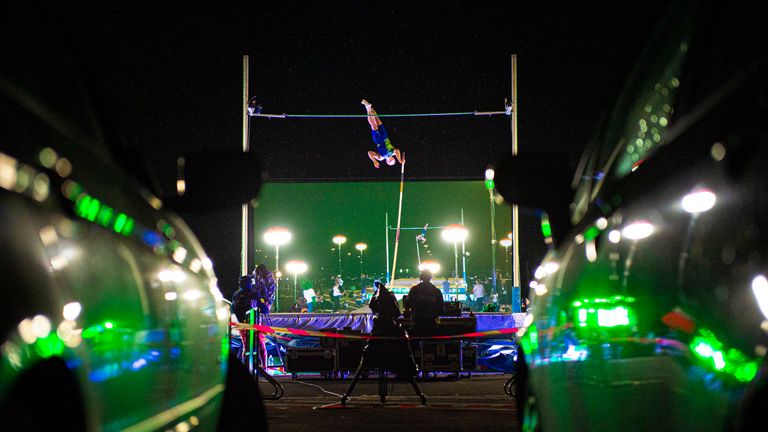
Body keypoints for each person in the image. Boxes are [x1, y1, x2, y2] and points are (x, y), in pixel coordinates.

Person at [361, 99, 405, 168]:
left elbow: (369, 153)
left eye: (390, 163)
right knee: (376, 118)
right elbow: (397, 150)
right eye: (393, 161)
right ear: (393, 158)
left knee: (373, 125)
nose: (391, 161)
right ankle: (368, 106)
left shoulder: (381, 158)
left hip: (378, 140)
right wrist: (400, 160)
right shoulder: (392, 152)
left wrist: (374, 161)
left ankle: (368, 107)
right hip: (385, 136)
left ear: (387, 162)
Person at [405, 270, 445, 337]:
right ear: (430, 277)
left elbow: (407, 305)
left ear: (421, 277)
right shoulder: (436, 291)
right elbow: (441, 309)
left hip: (417, 323)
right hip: (432, 324)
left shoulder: (414, 290)